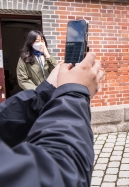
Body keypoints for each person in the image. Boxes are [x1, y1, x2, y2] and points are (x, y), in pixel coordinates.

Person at [0, 52, 104, 187]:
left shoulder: (46, 55)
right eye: (35, 40)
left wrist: (44, 93)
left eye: (40, 40)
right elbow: (59, 173)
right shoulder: (24, 58)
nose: (39, 43)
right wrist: (73, 93)